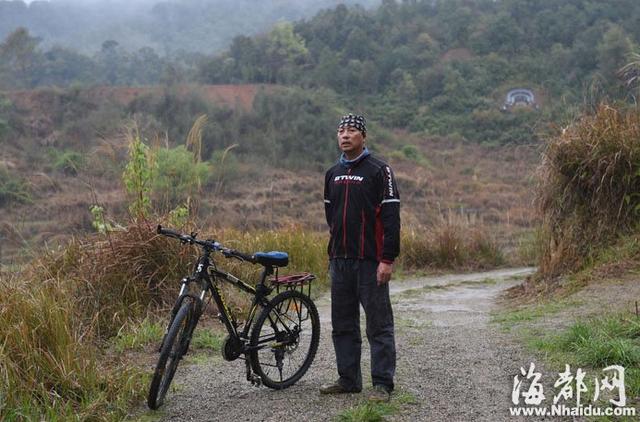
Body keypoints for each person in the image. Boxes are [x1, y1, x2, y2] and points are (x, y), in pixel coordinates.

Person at [320, 113, 400, 402]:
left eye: (352, 130)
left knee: (378, 324)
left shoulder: (380, 171)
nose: (345, 135)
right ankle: (348, 379)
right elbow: (332, 216)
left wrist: (387, 259)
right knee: (343, 324)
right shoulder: (332, 174)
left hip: (370, 261)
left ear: (363, 137)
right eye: (341, 130)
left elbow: (391, 219)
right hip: (339, 260)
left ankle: (382, 384)